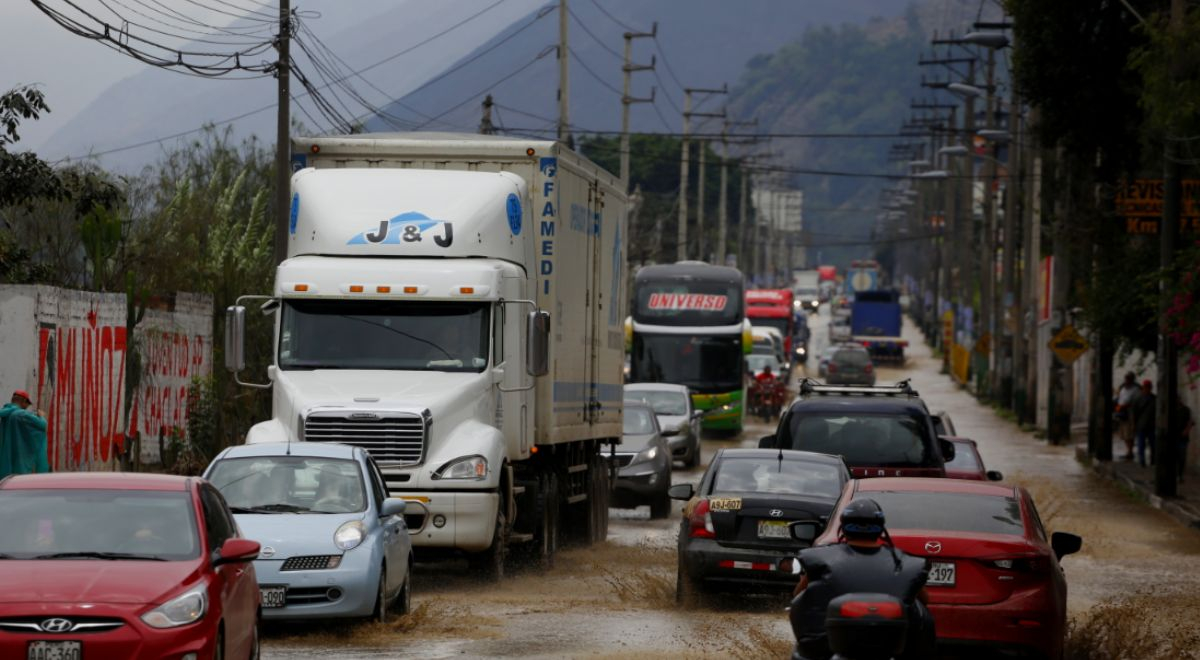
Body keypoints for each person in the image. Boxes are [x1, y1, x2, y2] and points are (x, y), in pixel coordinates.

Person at [788, 499, 935, 660]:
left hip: (823, 647)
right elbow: (924, 600)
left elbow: (797, 595)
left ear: (843, 527)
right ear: (880, 528)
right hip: (891, 646)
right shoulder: (907, 563)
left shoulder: (819, 559)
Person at [0, 390, 49, 479]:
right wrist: (41, 416)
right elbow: (42, 425)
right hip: (20, 462)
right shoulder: (22, 414)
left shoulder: (6, 415)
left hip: (6, 460)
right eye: (27, 404)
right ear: (23, 401)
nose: (27, 407)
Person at [1114, 372, 1140, 460]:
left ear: (1132, 380)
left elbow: (1134, 402)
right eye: (1126, 379)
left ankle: (1130, 451)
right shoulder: (1123, 389)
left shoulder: (1136, 389)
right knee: (1123, 434)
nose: (1126, 381)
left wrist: (1123, 406)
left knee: (1129, 434)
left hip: (1129, 414)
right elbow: (1119, 398)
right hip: (1121, 413)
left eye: (1128, 379)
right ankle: (1128, 451)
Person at [1132, 380, 1156, 468]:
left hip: (1152, 425)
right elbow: (1134, 413)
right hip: (1141, 425)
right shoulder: (1138, 399)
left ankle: (1153, 459)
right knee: (1141, 444)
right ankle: (1142, 461)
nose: (1147, 389)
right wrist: (1134, 424)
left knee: (1153, 444)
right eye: (1146, 387)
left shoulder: (1154, 398)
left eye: (1149, 387)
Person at [1172, 393, 1195, 483]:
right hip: (1172, 438)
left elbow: (1191, 421)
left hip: (1182, 438)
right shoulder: (1170, 410)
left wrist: (1186, 430)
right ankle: (1174, 475)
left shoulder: (1186, 410)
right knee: (1173, 457)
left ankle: (1179, 475)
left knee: (1181, 457)